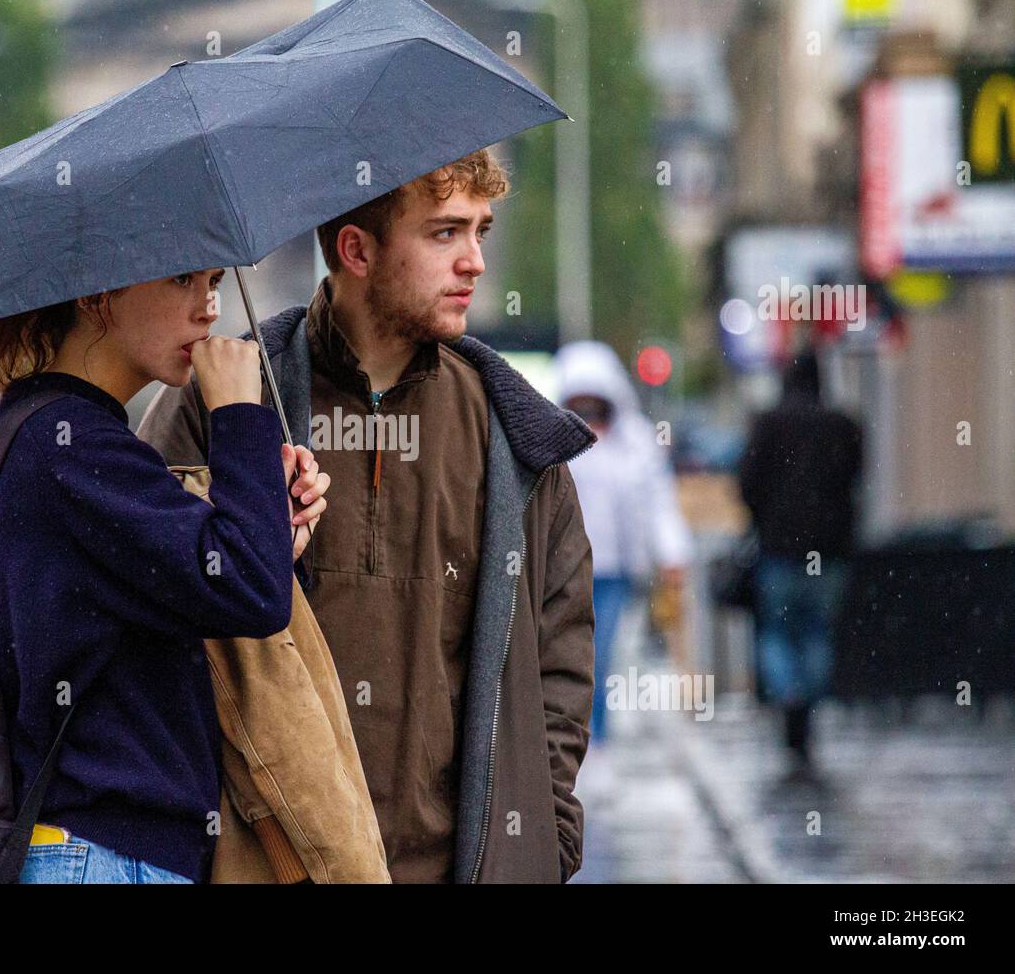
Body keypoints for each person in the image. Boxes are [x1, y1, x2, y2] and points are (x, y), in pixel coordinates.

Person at [139, 149, 598, 884]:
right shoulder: (226, 401)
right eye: (445, 233)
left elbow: (561, 657)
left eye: (481, 230)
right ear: (356, 249)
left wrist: (547, 833)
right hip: (276, 864)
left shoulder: (512, 436)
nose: (476, 261)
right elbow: (147, 620)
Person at [0, 270, 331, 883]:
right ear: (94, 293)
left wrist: (272, 531)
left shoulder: (61, 434)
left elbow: (216, 584)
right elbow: (249, 591)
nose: (208, 308)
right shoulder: (72, 448)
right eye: (183, 280)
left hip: (104, 853)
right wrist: (240, 412)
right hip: (103, 857)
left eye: (215, 281)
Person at [555, 341, 693, 745]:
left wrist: (671, 553)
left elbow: (656, 501)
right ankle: (572, 743)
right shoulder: (551, 439)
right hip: (561, 572)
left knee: (599, 658)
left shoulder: (635, 442)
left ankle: (594, 741)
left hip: (613, 573)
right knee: (567, 660)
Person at [737, 349, 861, 777]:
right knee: (816, 632)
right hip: (829, 554)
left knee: (777, 631)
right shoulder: (842, 425)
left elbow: (747, 483)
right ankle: (805, 701)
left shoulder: (770, 425)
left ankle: (789, 694)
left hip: (780, 551)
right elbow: (854, 480)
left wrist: (766, 519)